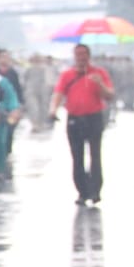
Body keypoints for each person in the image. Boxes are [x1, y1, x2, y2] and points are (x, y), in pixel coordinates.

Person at [49, 44, 113, 205]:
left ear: (89, 56)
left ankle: (95, 190)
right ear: (74, 56)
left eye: (84, 54)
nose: (81, 57)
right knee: (77, 157)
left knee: (95, 155)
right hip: (74, 119)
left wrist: (100, 84)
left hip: (94, 117)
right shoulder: (67, 75)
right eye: (78, 54)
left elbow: (110, 95)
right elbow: (58, 93)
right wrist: (53, 109)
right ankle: (82, 192)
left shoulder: (99, 73)